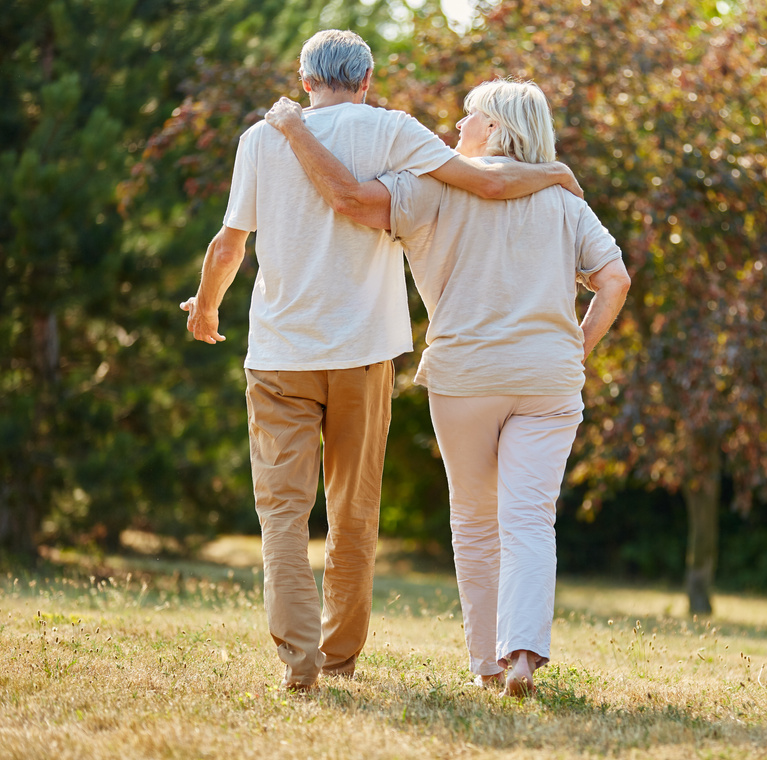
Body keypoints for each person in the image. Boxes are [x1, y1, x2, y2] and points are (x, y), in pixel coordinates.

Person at [179, 31, 582, 693]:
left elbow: (230, 243)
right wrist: (557, 175)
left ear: (305, 80)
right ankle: (338, 657)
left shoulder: (261, 138)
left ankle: (297, 662)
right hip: (364, 354)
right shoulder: (394, 129)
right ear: (366, 79)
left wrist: (206, 307)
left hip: (280, 354)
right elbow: (485, 178)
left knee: (282, 513)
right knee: (354, 511)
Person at [264, 79, 630, 696]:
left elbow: (353, 203)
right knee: (531, 519)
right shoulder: (564, 197)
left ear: (492, 128)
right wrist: (578, 345)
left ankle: (486, 665)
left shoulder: (429, 186)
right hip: (549, 377)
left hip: (466, 375)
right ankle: (522, 656)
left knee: (475, 520)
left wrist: (297, 132)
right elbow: (614, 280)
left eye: (468, 117)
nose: (456, 126)